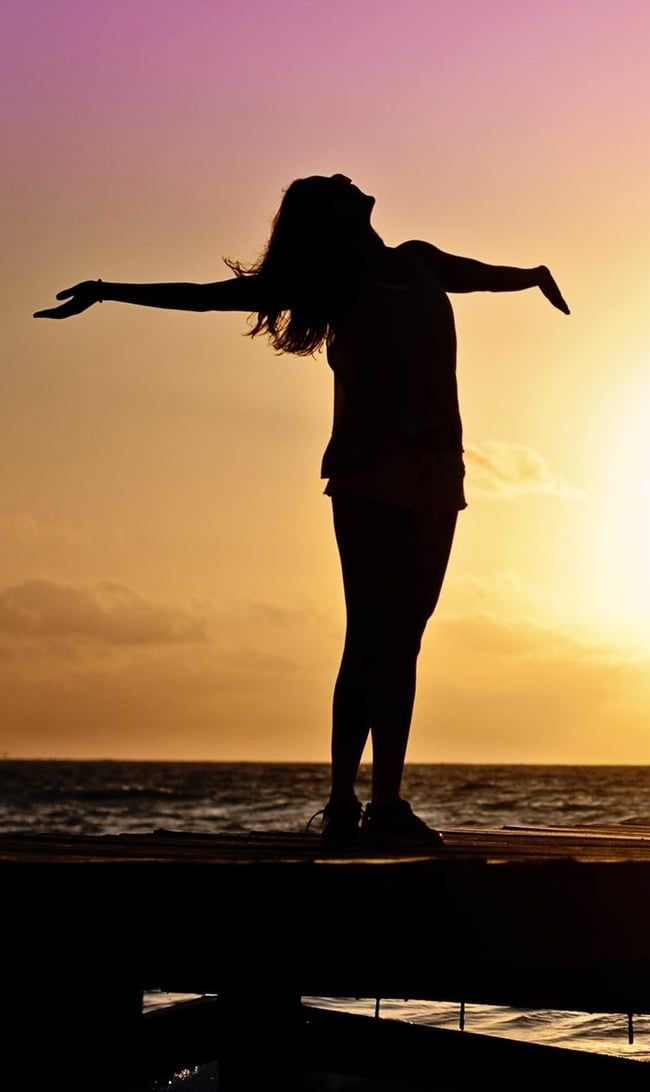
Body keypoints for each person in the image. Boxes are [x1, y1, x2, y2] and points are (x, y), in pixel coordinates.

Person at [34, 172, 569, 848]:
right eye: (336, 192)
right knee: (371, 636)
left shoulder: (419, 260)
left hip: (441, 477)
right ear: (332, 221)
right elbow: (208, 299)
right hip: (370, 475)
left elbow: (484, 276)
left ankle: (385, 803)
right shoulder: (334, 285)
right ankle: (348, 803)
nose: (353, 185)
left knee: (403, 641)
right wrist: (109, 291)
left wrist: (534, 274)